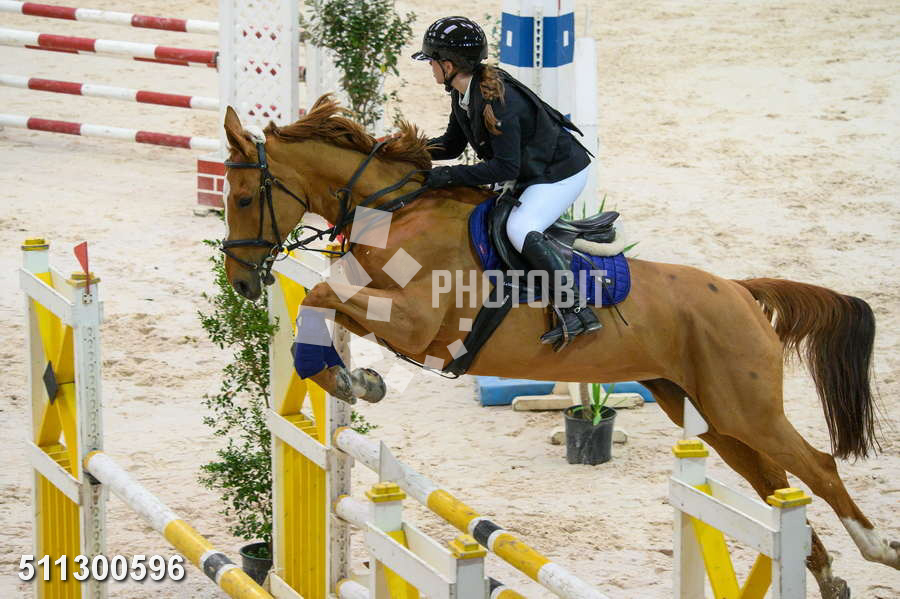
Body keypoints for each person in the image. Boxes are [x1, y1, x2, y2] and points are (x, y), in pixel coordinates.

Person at [413, 16, 601, 346]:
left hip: (559, 174)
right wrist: (406, 152)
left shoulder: (500, 102)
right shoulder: (463, 93)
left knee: (520, 227)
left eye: (431, 61)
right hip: (531, 169)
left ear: (448, 65)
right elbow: (452, 145)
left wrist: (445, 176)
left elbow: (505, 168)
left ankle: (576, 308)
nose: (429, 67)